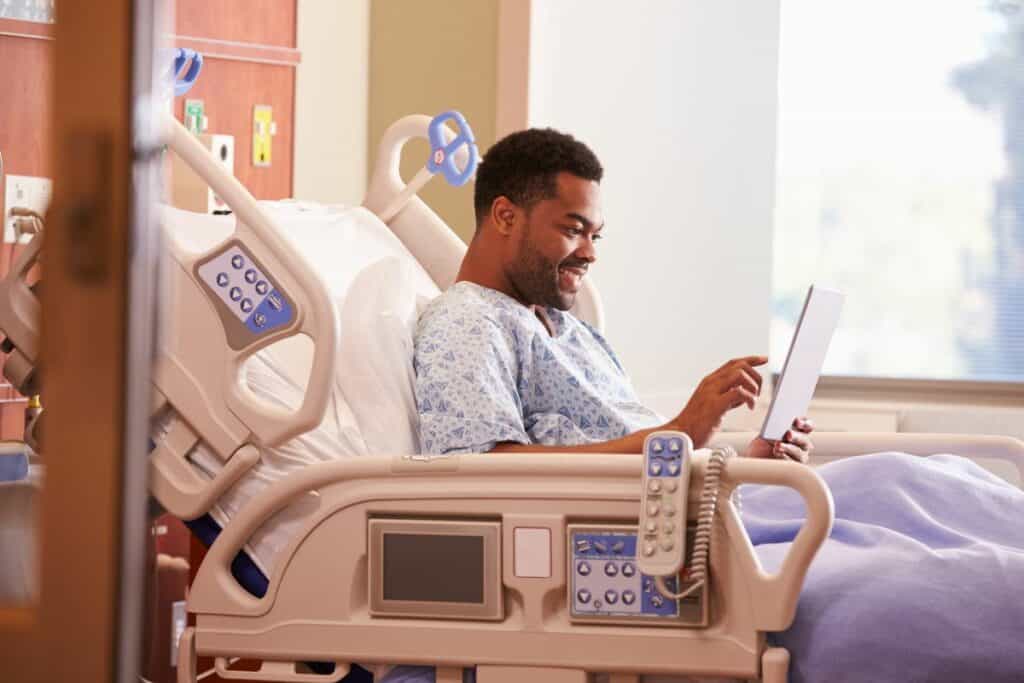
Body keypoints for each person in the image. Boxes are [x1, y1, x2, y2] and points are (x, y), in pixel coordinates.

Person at [414, 128, 813, 460]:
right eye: (573, 230)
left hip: (694, 514)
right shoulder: (468, 322)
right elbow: (480, 470)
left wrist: (750, 464)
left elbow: (630, 441)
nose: (589, 253)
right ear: (505, 216)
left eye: (595, 235)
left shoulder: (572, 330)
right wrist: (679, 433)